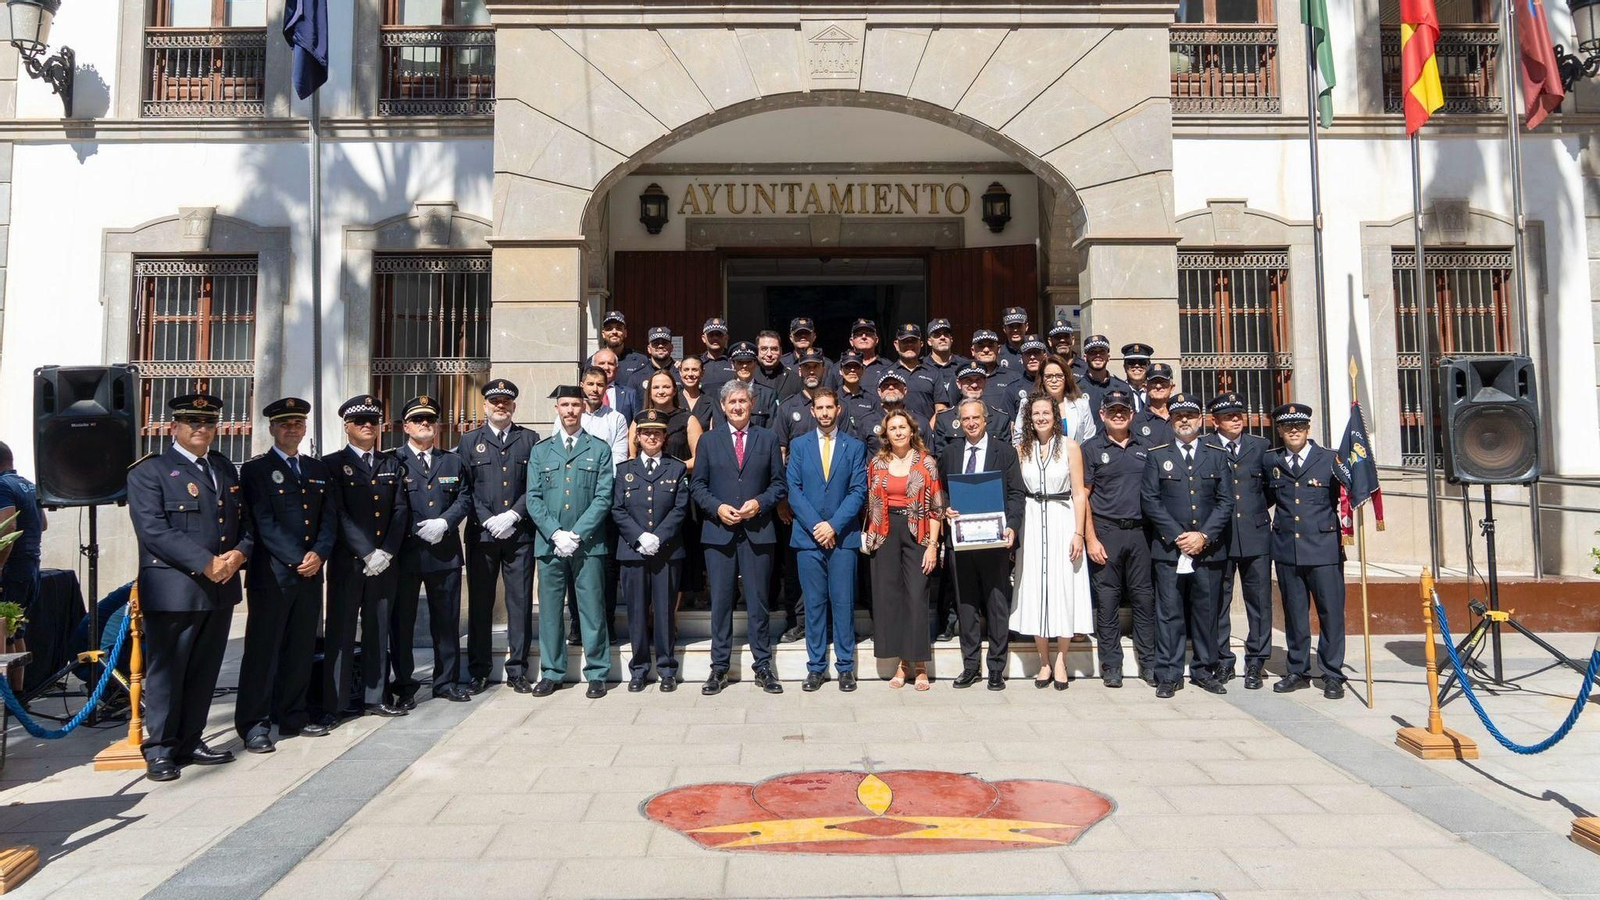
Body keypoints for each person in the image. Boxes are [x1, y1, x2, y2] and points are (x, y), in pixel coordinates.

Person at [126, 393, 252, 781]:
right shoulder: (150, 472)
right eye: (193, 422)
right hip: (175, 587)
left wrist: (239, 555)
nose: (202, 429)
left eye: (209, 423)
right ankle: (161, 748)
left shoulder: (224, 468)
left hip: (220, 585)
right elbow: (153, 530)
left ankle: (191, 739)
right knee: (168, 670)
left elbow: (244, 522)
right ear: (173, 427)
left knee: (204, 669)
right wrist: (205, 563)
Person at [236, 397, 336, 753]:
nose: (292, 428)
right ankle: (254, 725)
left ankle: (292, 714)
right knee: (263, 651)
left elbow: (329, 518)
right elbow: (261, 522)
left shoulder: (317, 469)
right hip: (273, 575)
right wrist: (298, 558)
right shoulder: (255, 471)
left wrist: (319, 553)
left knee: (300, 648)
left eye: (297, 423)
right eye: (284, 423)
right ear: (272, 429)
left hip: (311, 574)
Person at [692, 379, 788, 696]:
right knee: (721, 603)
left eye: (742, 401)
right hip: (719, 534)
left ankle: (762, 665)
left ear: (752, 404)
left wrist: (760, 503)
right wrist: (717, 507)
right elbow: (697, 487)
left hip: (758, 531)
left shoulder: (768, 438)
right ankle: (719, 668)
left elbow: (779, 484)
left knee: (759, 602)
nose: (737, 407)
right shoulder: (708, 441)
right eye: (731, 402)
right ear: (722, 406)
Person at [322, 395, 411, 721]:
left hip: (385, 563)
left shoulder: (390, 464)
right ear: (346, 426)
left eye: (373, 421)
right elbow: (337, 513)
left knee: (377, 630)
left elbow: (400, 510)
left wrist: (386, 551)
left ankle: (375, 697)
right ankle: (336, 704)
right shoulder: (331, 465)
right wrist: (366, 551)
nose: (368, 427)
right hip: (349, 562)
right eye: (360, 422)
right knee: (341, 633)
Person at [1140, 393, 1234, 699]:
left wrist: (1203, 536)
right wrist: (1179, 535)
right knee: (1168, 613)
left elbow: (1225, 502)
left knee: (1206, 612)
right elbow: (1150, 501)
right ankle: (1168, 672)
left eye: (1190, 415)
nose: (1184, 420)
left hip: (1208, 550)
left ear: (1201, 419)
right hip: (1169, 550)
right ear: (1170, 419)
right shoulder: (1157, 455)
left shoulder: (1216, 454)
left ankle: (1204, 670)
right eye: (1179, 415)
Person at [525, 386, 616, 699]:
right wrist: (555, 533)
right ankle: (552, 672)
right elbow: (533, 497)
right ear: (557, 409)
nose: (570, 411)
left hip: (588, 544)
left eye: (575, 405)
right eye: (564, 405)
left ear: (584, 409)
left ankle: (597, 673)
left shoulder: (599, 449)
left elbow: (604, 497)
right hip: (549, 544)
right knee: (550, 612)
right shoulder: (541, 450)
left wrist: (576, 534)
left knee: (592, 609)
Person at [1263, 402, 1352, 699]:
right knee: (1295, 615)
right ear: (1280, 430)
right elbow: (1264, 499)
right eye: (1288, 428)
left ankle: (1332, 674)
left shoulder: (1329, 460)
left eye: (1299, 427)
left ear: (1308, 428)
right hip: (1288, 550)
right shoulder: (1271, 462)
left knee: (1331, 614)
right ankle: (1298, 670)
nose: (1294, 432)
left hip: (1324, 550)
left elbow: (1349, 495)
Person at [457, 379, 540, 694]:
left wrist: (514, 514)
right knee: (481, 603)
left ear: (514, 406)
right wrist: (489, 519)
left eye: (506, 401)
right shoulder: (468, 442)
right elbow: (464, 488)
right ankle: (479, 671)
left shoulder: (529, 439)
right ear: (485, 406)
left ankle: (518, 670)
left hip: (519, 535)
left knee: (519, 603)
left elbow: (534, 486)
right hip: (482, 535)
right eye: (495, 402)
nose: (500, 406)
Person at [390, 395, 473, 707]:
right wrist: (415, 528)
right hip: (406, 555)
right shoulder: (393, 461)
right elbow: (389, 506)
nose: (425, 424)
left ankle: (446, 682)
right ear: (406, 426)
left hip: (444, 553)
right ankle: (404, 685)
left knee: (447, 622)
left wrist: (445, 523)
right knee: (402, 624)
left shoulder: (452, 461)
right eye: (418, 420)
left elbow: (464, 498)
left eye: (430, 419)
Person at [786, 388, 868, 693]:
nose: (823, 412)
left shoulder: (854, 446)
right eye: (819, 408)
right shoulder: (799, 445)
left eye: (828, 407)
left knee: (843, 603)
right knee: (814, 604)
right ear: (812, 411)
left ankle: (845, 667)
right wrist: (817, 525)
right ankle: (816, 667)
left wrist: (833, 525)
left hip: (843, 536)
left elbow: (858, 490)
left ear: (839, 410)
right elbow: (793, 489)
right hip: (808, 539)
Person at [939, 398, 1025, 691]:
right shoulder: (950, 452)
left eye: (976, 418)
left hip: (995, 541)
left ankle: (996, 668)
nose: (971, 423)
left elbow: (1016, 493)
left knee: (997, 604)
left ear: (986, 420)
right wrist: (946, 509)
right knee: (966, 606)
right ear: (960, 423)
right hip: (961, 543)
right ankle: (970, 666)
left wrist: (1012, 527)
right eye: (965, 420)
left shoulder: (1005, 451)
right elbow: (942, 492)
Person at [1009, 393, 1092, 690]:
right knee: (1035, 587)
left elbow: (1080, 492)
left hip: (1062, 519)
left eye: (1046, 412)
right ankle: (1043, 660)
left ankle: (1061, 659)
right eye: (1036, 414)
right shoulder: (1021, 449)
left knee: (1063, 587)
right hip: (1032, 521)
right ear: (1029, 418)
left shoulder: (1070, 447)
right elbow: (1015, 491)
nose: (1041, 417)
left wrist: (1079, 532)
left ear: (1055, 417)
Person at [862, 409, 944, 691]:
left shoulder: (926, 464)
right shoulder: (876, 463)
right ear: (886, 434)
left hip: (918, 532)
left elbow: (936, 508)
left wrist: (933, 545)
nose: (898, 432)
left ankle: (919, 664)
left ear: (912, 431)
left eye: (902, 427)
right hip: (885, 533)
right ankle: (901, 662)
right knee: (890, 597)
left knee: (916, 595)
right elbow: (869, 501)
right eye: (892, 428)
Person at [1082, 389, 1157, 688]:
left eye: (1123, 410)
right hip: (1106, 533)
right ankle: (1111, 665)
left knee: (1143, 600)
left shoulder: (1148, 447)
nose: (1117, 414)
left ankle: (1148, 663)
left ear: (1131, 414)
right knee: (1108, 602)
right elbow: (1083, 498)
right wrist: (1090, 539)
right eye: (1111, 410)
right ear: (1102, 414)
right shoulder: (1090, 448)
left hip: (1140, 533)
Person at [612, 409, 690, 693]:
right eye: (646, 432)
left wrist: (659, 537)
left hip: (666, 551)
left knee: (665, 611)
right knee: (636, 612)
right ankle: (640, 669)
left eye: (657, 432)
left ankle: (667, 668)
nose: (652, 437)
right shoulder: (624, 470)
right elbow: (617, 509)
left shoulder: (676, 468)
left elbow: (680, 508)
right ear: (638, 436)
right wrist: (640, 537)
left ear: (665, 436)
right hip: (633, 552)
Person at [1206, 392, 1274, 690]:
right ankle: (1223, 660)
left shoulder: (1260, 447)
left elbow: (1270, 489)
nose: (1236, 419)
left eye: (1239, 414)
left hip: (1255, 534)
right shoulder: (1206, 447)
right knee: (1219, 600)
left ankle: (1257, 660)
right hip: (1220, 537)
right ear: (1214, 421)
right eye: (1229, 416)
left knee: (1259, 601)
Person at [0, 442, 45, 617]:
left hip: (13, 569)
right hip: (31, 567)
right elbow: (43, 524)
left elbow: (8, 527)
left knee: (5, 632)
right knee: (15, 631)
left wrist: (0, 566)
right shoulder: (29, 484)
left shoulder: (2, 486)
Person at [930, 364, 1011, 457]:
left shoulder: (1000, 419)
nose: (974, 385)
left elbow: (1006, 455)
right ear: (958, 384)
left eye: (979, 380)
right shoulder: (945, 419)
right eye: (968, 381)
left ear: (985, 382)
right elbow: (941, 457)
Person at [1014, 354, 1095, 444]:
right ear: (1042, 379)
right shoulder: (1027, 404)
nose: (1054, 380)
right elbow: (1019, 439)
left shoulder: (1082, 405)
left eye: (1059, 375)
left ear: (1066, 378)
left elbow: (1089, 441)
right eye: (1048, 376)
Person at [632, 368, 703, 465]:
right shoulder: (639, 420)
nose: (661, 391)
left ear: (674, 391)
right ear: (649, 392)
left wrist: (672, 470)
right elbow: (632, 458)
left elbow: (699, 459)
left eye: (666, 387)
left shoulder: (689, 420)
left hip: (678, 478)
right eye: (656, 387)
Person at [888, 323, 940, 425]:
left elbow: (940, 408)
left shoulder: (934, 372)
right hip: (897, 434)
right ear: (896, 345)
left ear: (921, 344)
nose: (909, 345)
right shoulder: (886, 374)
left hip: (927, 435)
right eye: (904, 341)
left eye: (913, 341)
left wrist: (928, 431)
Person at [587, 310, 650, 393]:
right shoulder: (593, 361)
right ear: (603, 334)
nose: (614, 332)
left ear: (625, 333)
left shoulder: (640, 361)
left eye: (619, 328)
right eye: (609, 329)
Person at [581, 365, 631, 466]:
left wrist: (604, 477)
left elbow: (619, 456)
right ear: (582, 385)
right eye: (590, 384)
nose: (595, 389)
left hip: (605, 477)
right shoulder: (569, 416)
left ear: (606, 387)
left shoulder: (617, 418)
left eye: (600, 385)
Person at [1079, 334, 1134, 420]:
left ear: (1108, 357)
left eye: (1102, 352)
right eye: (1092, 352)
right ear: (1085, 357)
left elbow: (1131, 419)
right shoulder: (1076, 388)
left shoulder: (1123, 388)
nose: (1098, 355)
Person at [782, 316, 841, 390]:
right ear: (791, 338)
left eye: (807, 333)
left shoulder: (827, 364)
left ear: (814, 336)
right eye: (798, 334)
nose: (803, 337)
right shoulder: (782, 363)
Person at [922, 318, 969, 410]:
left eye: (946, 334)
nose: (942, 337)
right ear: (929, 342)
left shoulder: (964, 365)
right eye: (937, 335)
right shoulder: (921, 366)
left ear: (951, 339)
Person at [591, 347, 641, 423]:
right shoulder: (584, 393)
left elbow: (637, 422)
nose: (606, 367)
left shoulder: (630, 394)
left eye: (610, 364)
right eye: (601, 363)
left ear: (617, 368)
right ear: (593, 367)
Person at [1132, 362, 1176, 446]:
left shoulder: (1179, 418)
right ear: (1145, 387)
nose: (1158, 386)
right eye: (1153, 382)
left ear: (1172, 387)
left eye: (1163, 382)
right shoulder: (1136, 421)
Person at [847, 318, 892, 397]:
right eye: (859, 334)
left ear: (876, 340)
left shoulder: (889, 367)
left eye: (869, 334)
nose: (864, 337)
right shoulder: (839, 368)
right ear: (851, 341)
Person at [755, 330, 803, 401]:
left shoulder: (794, 380)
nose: (769, 354)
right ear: (757, 351)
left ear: (781, 351)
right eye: (764, 349)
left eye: (774, 349)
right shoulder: (750, 378)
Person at [636, 326, 682, 397]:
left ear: (672, 347)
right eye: (655, 343)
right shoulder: (637, 376)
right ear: (649, 349)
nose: (660, 346)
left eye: (665, 343)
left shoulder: (681, 374)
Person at [697, 316, 736, 394]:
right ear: (704, 338)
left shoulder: (735, 361)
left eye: (719, 334)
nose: (715, 338)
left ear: (726, 338)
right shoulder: (697, 363)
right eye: (711, 335)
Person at [677, 355, 715, 432]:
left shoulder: (711, 403)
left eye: (694, 370)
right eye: (686, 369)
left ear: (702, 372)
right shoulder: (672, 401)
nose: (690, 374)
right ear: (680, 372)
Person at [1121, 342, 1154, 410]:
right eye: (1131, 362)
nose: (1136, 366)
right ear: (1125, 367)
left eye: (1142, 362)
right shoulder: (1119, 391)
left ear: (1149, 366)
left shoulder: (1156, 391)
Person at [998, 306, 1030, 372]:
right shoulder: (998, 354)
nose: (1015, 330)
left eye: (1019, 325)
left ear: (1026, 327)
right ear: (1004, 328)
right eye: (1011, 326)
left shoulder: (1037, 352)